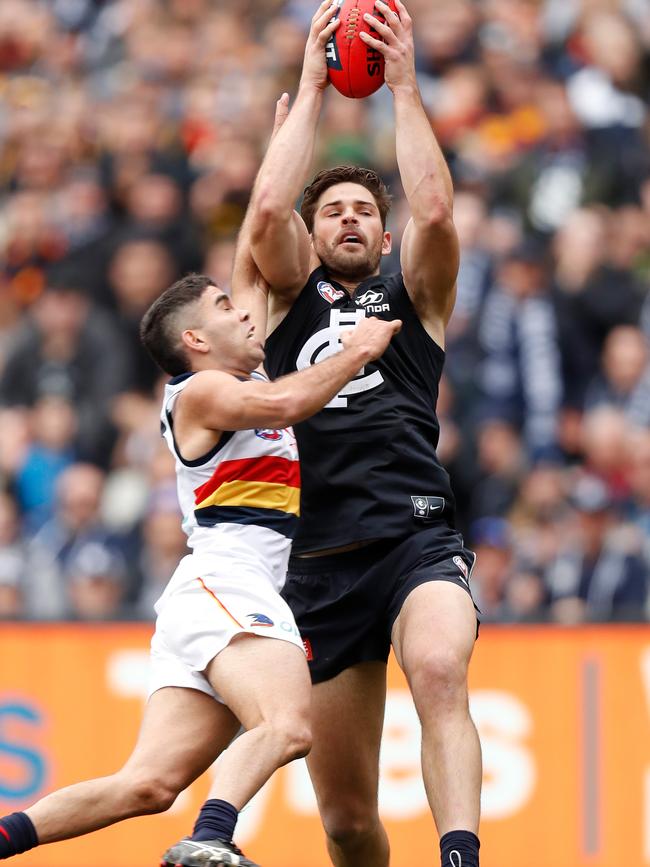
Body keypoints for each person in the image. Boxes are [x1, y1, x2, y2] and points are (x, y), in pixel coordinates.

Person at [0, 109, 401, 867]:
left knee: (146, 782)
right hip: (229, 582)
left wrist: (308, 100)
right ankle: (210, 838)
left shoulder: (232, 366)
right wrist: (355, 351)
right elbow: (287, 403)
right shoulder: (201, 391)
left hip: (211, 596)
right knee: (287, 724)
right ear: (194, 341)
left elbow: (263, 217)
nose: (241, 312)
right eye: (223, 309)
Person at [245, 2, 481, 866]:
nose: (349, 217)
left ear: (384, 236)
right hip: (317, 562)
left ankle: (462, 854)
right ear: (314, 234)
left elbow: (441, 214)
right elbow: (268, 203)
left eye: (363, 210)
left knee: (440, 669)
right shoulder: (282, 301)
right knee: (347, 822)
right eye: (333, 209)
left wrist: (406, 85)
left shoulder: (414, 300)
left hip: (414, 534)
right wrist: (312, 83)